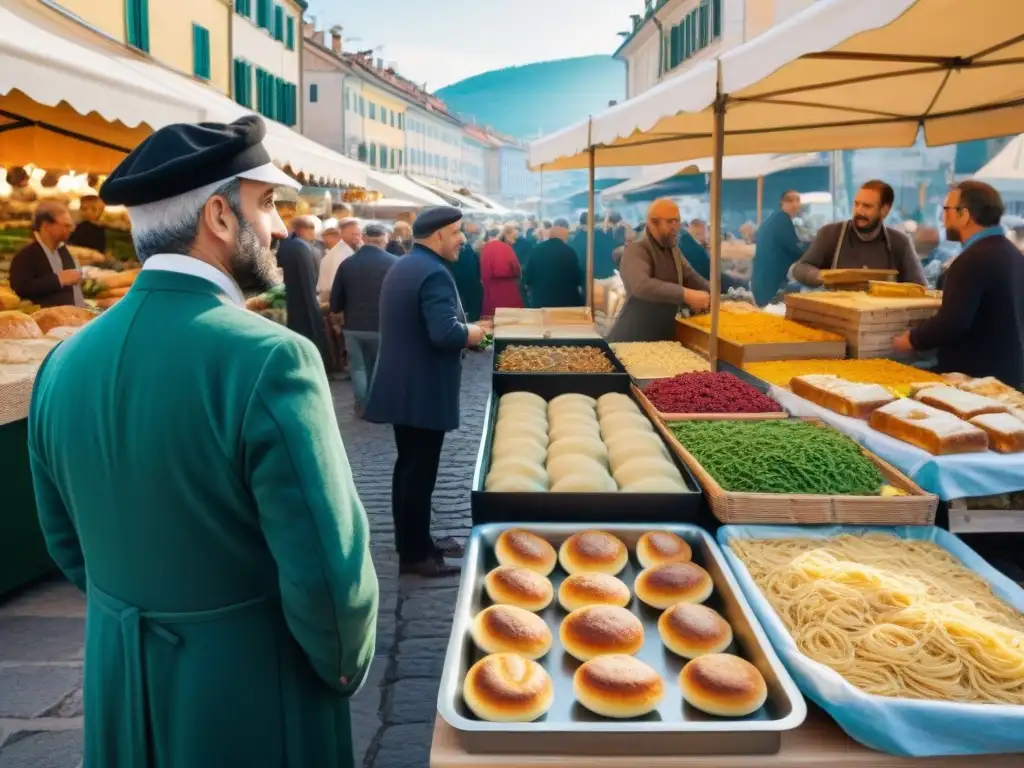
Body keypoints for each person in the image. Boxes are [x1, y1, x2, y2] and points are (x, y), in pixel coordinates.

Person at [27, 116, 377, 767]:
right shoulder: (270, 357)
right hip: (248, 694)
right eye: (267, 204)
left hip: (120, 685)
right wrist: (341, 668)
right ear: (219, 216)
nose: (277, 227)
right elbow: (330, 575)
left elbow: (67, 546)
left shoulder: (62, 362)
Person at [364, 206, 485, 577]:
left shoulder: (405, 264)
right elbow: (445, 333)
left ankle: (414, 540)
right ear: (437, 236)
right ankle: (416, 555)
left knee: (408, 468)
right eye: (456, 233)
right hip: (422, 386)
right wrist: (477, 332)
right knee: (419, 472)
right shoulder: (433, 272)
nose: (462, 239)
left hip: (404, 384)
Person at [894, 181, 1024, 386]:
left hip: (975, 382)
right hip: (1009, 377)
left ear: (964, 214)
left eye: (946, 210)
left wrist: (912, 339)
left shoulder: (971, 260)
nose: (943, 219)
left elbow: (953, 322)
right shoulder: (1013, 254)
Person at [607, 198, 711, 342]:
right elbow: (641, 286)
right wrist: (685, 294)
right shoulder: (637, 249)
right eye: (669, 222)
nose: (675, 227)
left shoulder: (672, 249)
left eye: (677, 221)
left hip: (661, 335)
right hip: (633, 337)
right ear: (652, 223)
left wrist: (718, 297)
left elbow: (691, 276)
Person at [791, 180, 926, 287]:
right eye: (856, 204)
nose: (859, 211)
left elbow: (919, 287)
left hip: (882, 318)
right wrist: (822, 276)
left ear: (884, 210)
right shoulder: (831, 234)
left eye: (867, 206)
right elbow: (800, 268)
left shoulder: (900, 242)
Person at [331, 223, 397, 415]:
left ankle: (361, 403)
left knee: (358, 367)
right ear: (384, 240)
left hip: (353, 326)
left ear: (365, 239)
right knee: (380, 365)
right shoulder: (394, 262)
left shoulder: (347, 263)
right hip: (383, 326)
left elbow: (336, 302)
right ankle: (380, 403)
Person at [10, 201, 85, 307]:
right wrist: (58, 280)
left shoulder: (63, 250)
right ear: (46, 226)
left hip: (73, 317)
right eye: (66, 225)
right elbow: (20, 289)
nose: (71, 230)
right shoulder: (26, 256)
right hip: (47, 320)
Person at [276, 215, 329, 364]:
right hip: (305, 298)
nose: (313, 234)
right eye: (311, 230)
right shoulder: (303, 247)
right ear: (304, 230)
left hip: (294, 299)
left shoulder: (290, 246)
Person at [751, 190, 807, 305]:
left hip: (761, 281)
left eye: (798, 201)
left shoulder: (773, 219)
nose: (796, 205)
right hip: (770, 283)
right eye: (791, 201)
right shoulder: (783, 221)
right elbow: (795, 249)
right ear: (782, 202)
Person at [523, 218, 584, 308]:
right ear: (564, 235)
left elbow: (527, 277)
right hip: (565, 303)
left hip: (540, 302)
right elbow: (577, 278)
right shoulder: (569, 252)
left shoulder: (536, 250)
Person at [480, 224, 523, 316]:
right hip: (510, 292)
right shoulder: (507, 248)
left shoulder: (486, 248)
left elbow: (484, 274)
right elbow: (517, 270)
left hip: (491, 291)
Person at [317, 218, 362, 303]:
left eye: (359, 234)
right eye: (353, 234)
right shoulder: (341, 254)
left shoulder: (349, 250)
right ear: (342, 234)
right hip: (335, 301)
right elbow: (335, 285)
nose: (357, 238)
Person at [569, 211, 616, 281]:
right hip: (607, 275)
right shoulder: (604, 236)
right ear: (594, 222)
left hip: (588, 280)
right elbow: (612, 251)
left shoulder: (575, 240)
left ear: (580, 223)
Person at [451, 220, 483, 321]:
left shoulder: (451, 254)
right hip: (472, 288)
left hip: (459, 289)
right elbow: (478, 270)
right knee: (474, 315)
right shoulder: (470, 251)